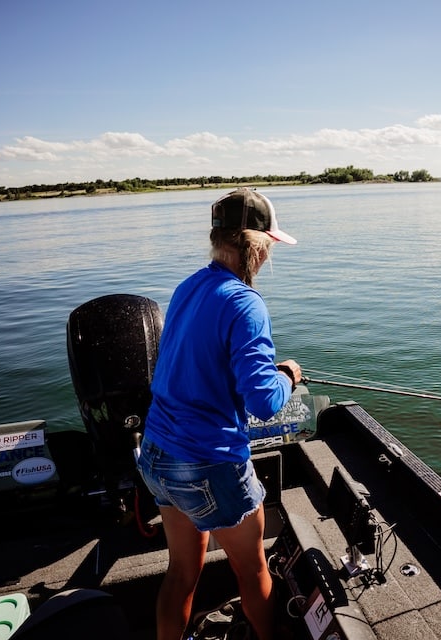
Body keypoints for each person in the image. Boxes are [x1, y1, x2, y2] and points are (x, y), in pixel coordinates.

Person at [136, 187, 302, 640]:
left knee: (181, 571)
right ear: (256, 246)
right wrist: (288, 374)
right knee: (252, 571)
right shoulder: (246, 303)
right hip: (209, 462)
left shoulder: (188, 286)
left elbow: (197, 362)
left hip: (155, 455)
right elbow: (264, 402)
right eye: (269, 246)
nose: (269, 256)